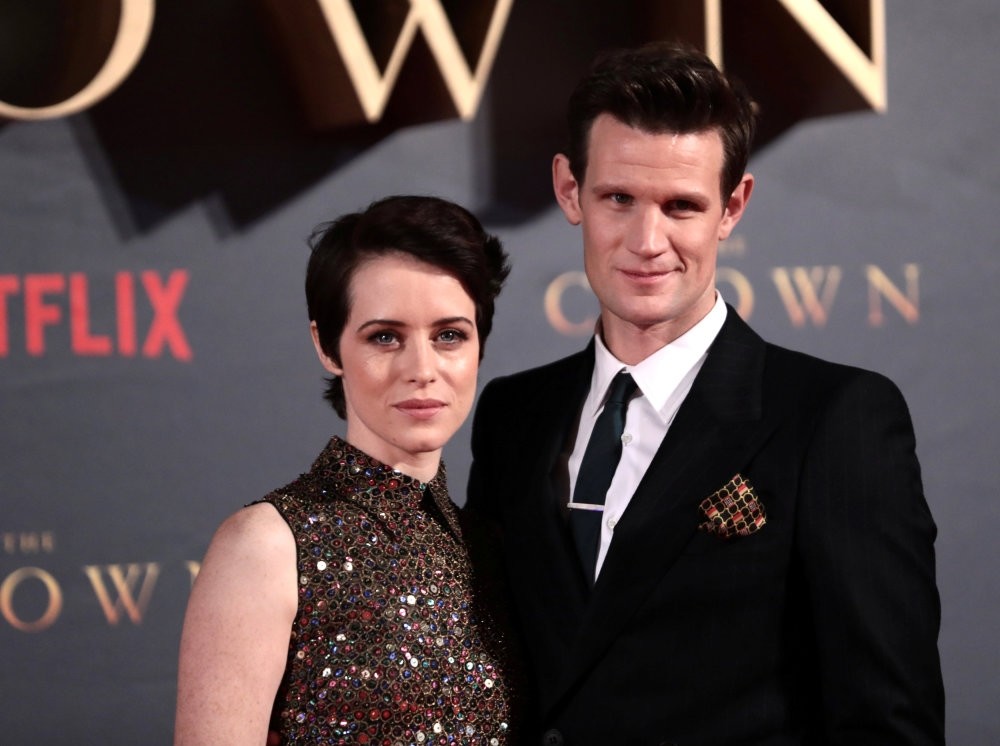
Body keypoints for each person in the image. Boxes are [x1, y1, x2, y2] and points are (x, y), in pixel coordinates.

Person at [466, 42, 944, 745]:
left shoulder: (833, 421)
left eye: (681, 205)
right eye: (619, 198)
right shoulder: (513, 416)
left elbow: (887, 724)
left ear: (733, 206)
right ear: (570, 190)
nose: (646, 240)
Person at [174, 195, 518, 745]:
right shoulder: (267, 545)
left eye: (449, 335)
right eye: (385, 337)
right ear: (327, 346)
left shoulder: (492, 546)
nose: (422, 370)